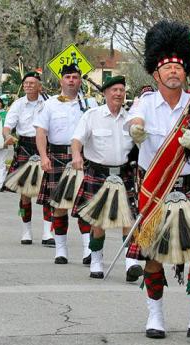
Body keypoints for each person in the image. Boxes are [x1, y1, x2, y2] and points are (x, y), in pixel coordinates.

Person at [126, 20, 190, 340]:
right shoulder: (144, 103)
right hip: (156, 190)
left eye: (178, 68)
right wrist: (136, 131)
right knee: (154, 256)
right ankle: (155, 317)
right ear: (155, 74)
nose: (173, 72)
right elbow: (135, 122)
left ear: (185, 72)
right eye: (167, 68)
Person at [70, 75, 143, 281]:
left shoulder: (131, 119)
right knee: (98, 222)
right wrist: (76, 155)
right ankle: (96, 259)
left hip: (124, 174)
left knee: (128, 218)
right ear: (105, 93)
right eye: (114, 90)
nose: (119, 93)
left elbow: (142, 147)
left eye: (121, 90)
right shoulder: (92, 116)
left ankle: (131, 263)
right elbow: (77, 140)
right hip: (98, 173)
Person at [33, 63, 95, 265]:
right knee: (59, 206)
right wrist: (43, 156)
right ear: (61, 80)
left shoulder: (91, 104)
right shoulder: (49, 104)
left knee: (84, 205)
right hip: (57, 156)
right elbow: (41, 133)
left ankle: (88, 250)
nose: (71, 80)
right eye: (67, 77)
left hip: (84, 158)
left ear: (80, 80)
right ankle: (61, 250)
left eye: (75, 77)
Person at [3, 71, 54, 246]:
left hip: (46, 147)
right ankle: (26, 230)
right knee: (25, 193)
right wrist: (7, 136)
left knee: (48, 191)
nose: (28, 86)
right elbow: (8, 126)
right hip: (25, 146)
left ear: (40, 86)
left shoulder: (49, 103)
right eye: (26, 83)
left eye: (32, 83)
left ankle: (48, 232)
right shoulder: (18, 104)